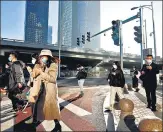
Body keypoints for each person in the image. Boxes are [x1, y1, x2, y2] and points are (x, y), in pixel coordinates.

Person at [27, 49, 61, 131]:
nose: (42, 58)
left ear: (49, 57)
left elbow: (52, 79)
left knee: (51, 108)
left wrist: (41, 72)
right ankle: (34, 123)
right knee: (38, 105)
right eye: (41, 57)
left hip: (49, 90)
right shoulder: (44, 65)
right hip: (42, 89)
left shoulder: (53, 65)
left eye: (44, 57)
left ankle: (57, 126)